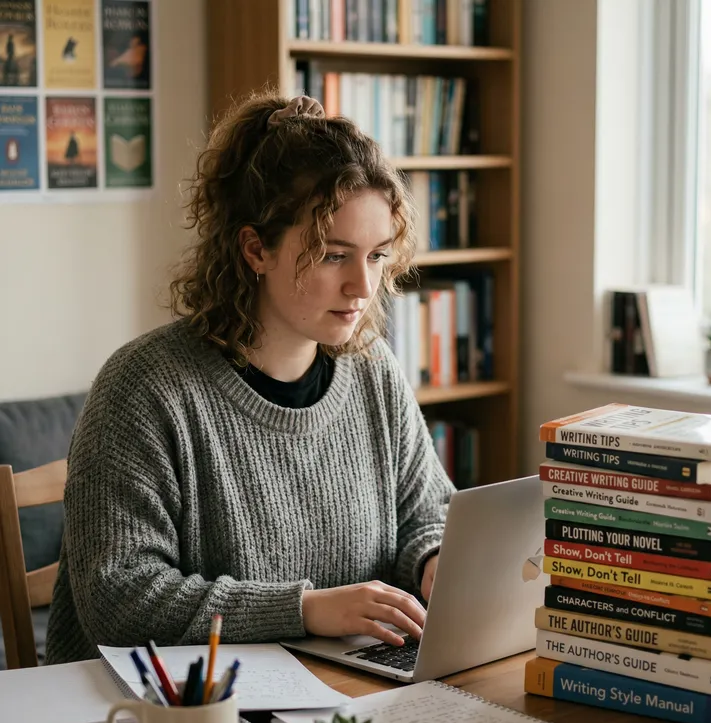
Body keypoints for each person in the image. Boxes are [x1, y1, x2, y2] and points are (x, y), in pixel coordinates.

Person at [45, 91, 454, 665]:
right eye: (335, 255)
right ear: (255, 248)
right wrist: (304, 609)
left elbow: (427, 511)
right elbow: (120, 596)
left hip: (345, 689)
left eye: (378, 255)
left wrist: (434, 562)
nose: (363, 286)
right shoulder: (144, 388)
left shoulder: (372, 372)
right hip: (162, 715)